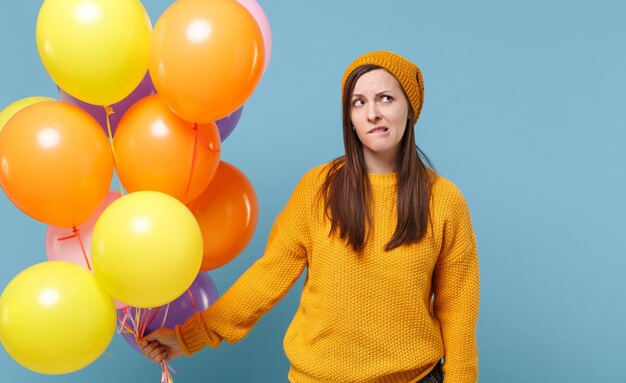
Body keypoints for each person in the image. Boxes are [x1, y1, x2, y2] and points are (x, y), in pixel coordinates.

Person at [139, 50, 480, 383]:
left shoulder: (444, 201)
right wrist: (190, 336)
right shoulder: (318, 188)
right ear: (349, 116)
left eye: (386, 99)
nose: (372, 113)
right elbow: (267, 278)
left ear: (410, 108)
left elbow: (458, 309)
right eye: (358, 102)